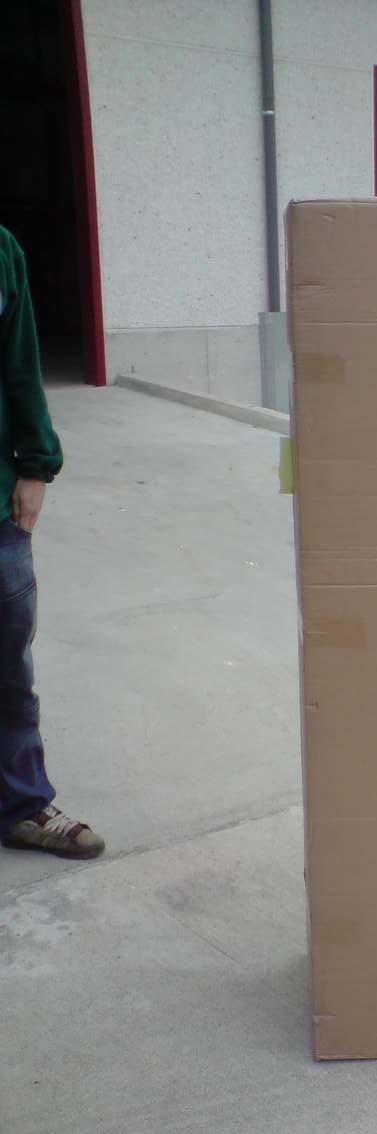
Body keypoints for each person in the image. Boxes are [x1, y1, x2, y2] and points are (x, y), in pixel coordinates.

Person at [0, 225, 104, 858]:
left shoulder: (1, 249)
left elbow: (19, 360)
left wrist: (36, 465)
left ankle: (22, 804)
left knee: (8, 668)